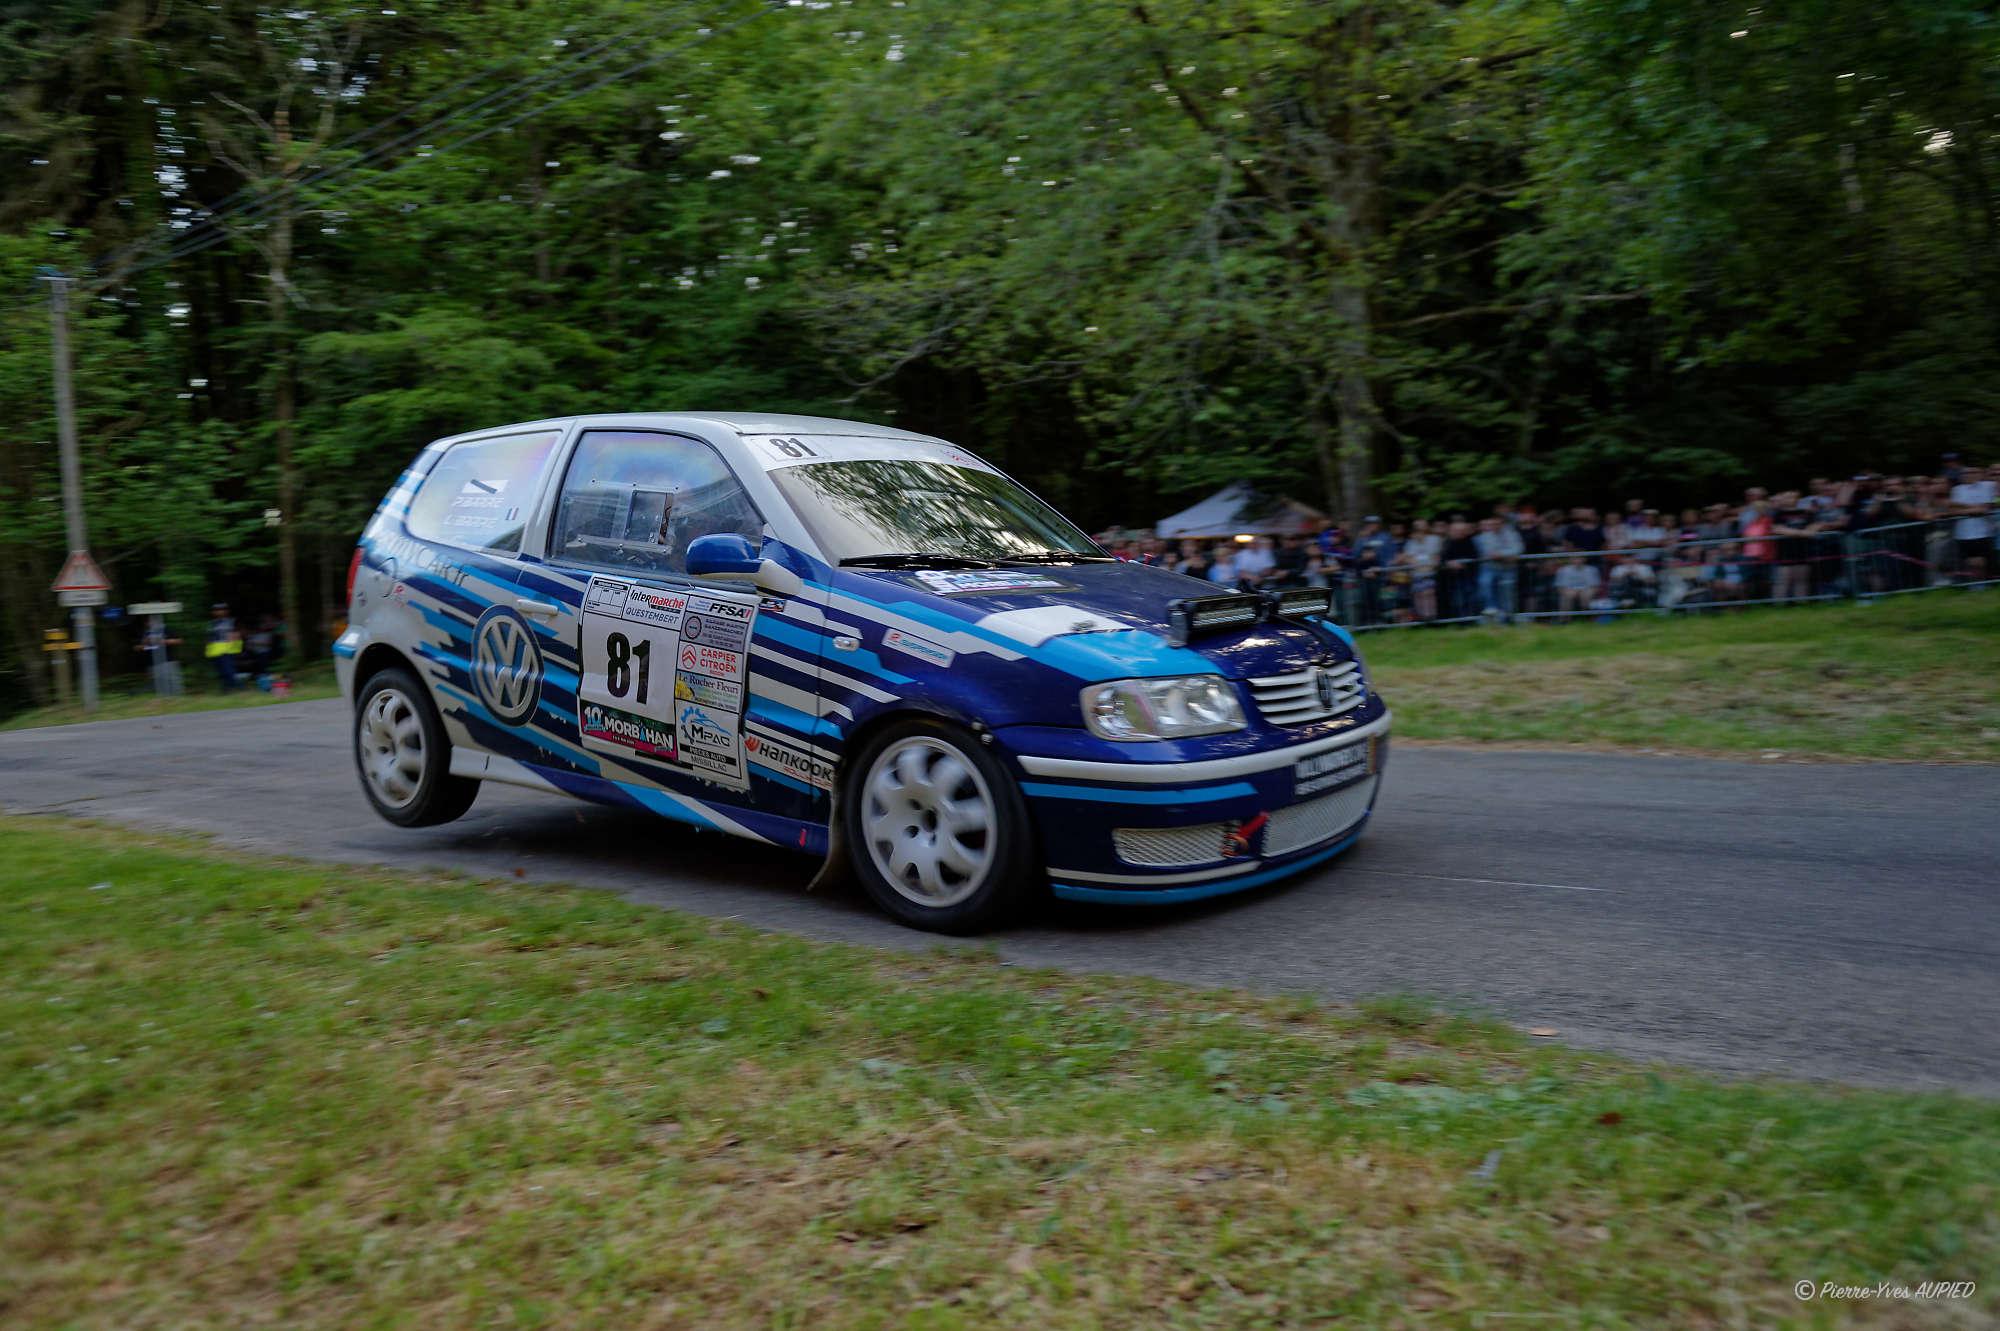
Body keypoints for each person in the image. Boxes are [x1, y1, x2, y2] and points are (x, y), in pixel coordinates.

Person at [1949, 463, 1995, 582]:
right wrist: (1973, 509)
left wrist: (1963, 509)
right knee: (1968, 561)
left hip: (1982, 531)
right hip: (1963, 532)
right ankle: (1972, 584)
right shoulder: (1956, 490)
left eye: (1974, 472)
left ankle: (1983, 583)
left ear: (1980, 474)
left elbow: (1984, 508)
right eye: (1967, 473)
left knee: (1981, 561)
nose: (1970, 475)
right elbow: (1952, 510)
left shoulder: (1988, 486)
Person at [1474, 514, 1523, 620]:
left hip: (1508, 569)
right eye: (1492, 524)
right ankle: (1491, 608)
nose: (1494, 526)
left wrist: (1500, 554)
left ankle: (1508, 617)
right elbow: (1488, 552)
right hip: (1492, 568)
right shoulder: (1485, 536)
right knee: (1485, 583)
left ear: (1502, 524)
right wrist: (1507, 555)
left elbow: (1517, 549)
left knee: (1508, 593)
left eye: (1497, 524)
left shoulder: (1512, 534)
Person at [204, 602, 243, 692]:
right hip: (214, 651)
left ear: (226, 611)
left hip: (228, 651)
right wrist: (207, 649)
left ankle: (240, 687)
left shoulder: (232, 621)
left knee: (228, 670)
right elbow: (208, 637)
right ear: (213, 612)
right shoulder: (211, 623)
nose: (219, 612)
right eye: (217, 610)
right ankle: (227, 689)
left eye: (222, 610)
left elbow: (237, 634)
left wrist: (232, 645)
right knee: (221, 671)